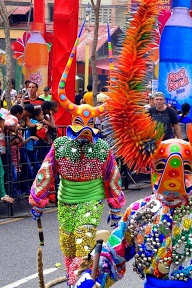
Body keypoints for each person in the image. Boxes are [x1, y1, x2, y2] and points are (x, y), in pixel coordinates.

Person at [75, 1, 192, 284]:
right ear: (153, 165)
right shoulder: (138, 213)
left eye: (183, 165)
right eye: (164, 164)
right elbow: (112, 255)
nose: (173, 173)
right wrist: (89, 275)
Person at [29, 44, 126, 286]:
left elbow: (112, 176)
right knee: (69, 243)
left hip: (91, 200)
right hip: (65, 199)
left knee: (84, 242)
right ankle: (76, 279)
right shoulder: (60, 144)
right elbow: (46, 172)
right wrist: (37, 201)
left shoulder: (102, 148)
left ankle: (78, 281)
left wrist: (115, 207)